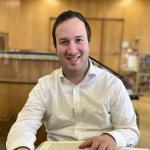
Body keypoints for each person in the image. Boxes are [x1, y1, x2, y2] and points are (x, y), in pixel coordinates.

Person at [6, 10, 140, 150]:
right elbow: (23, 125)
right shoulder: (44, 86)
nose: (72, 50)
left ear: (89, 43)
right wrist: (21, 147)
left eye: (79, 40)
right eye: (64, 42)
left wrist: (112, 138)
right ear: (56, 47)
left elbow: (130, 130)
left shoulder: (112, 84)